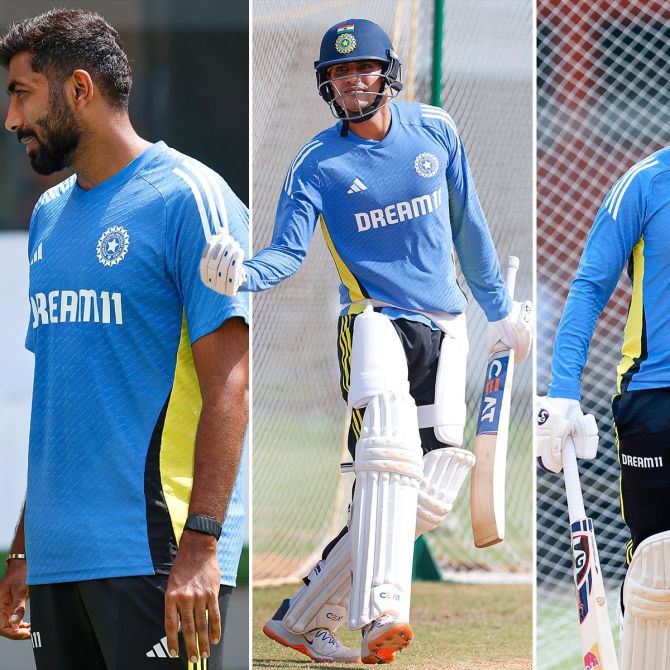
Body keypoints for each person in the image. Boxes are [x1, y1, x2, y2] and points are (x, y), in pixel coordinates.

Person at [202, 18, 531, 665]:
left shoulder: (436, 131)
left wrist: (499, 313)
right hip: (373, 319)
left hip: (448, 326)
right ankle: (380, 611)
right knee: (385, 457)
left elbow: (471, 229)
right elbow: (285, 254)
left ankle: (301, 617)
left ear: (388, 73)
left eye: (363, 69)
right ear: (329, 85)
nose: (353, 81)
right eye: (339, 73)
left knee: (431, 497)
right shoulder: (317, 163)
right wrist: (241, 275)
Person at [0, 9, 249, 670]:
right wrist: (25, 548)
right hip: (58, 562)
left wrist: (201, 545)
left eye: (21, 93)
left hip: (157, 554)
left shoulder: (191, 200)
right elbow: (67, 400)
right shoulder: (49, 217)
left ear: (79, 89)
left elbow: (231, 383)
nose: (11, 119)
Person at [536, 149, 670, 670]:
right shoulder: (644, 183)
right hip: (653, 400)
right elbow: (591, 285)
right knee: (654, 573)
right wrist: (563, 389)